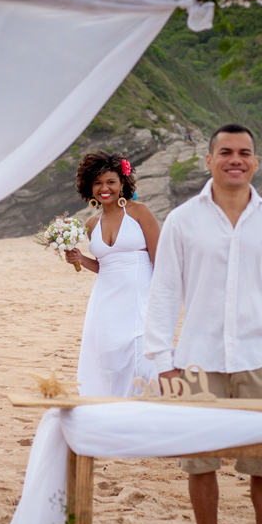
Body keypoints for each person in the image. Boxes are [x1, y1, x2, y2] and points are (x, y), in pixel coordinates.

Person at [144, 124, 262, 524]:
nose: (236, 160)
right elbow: (163, 292)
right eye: (226, 152)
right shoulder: (182, 220)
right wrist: (163, 361)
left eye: (245, 153)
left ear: (255, 161)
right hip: (194, 362)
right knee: (200, 464)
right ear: (210, 159)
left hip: (260, 361)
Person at [65, 152, 161, 397]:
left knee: (144, 359)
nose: (104, 188)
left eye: (110, 182)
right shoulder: (91, 224)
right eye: (97, 183)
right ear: (89, 186)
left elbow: (159, 258)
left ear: (122, 184)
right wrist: (79, 259)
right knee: (111, 360)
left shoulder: (139, 212)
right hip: (106, 301)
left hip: (140, 297)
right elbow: (104, 265)